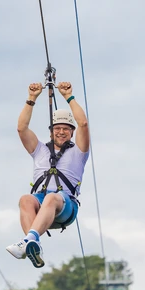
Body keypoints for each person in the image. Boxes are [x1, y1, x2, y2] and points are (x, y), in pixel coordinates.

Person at [7, 80, 90, 268]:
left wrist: (69, 97)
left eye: (66, 129)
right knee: (25, 200)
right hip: (41, 203)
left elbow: (83, 123)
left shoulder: (79, 152)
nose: (61, 132)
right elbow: (21, 128)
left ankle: (29, 239)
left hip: (65, 204)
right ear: (51, 132)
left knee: (52, 198)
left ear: (71, 132)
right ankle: (32, 244)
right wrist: (31, 99)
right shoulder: (40, 150)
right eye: (57, 129)